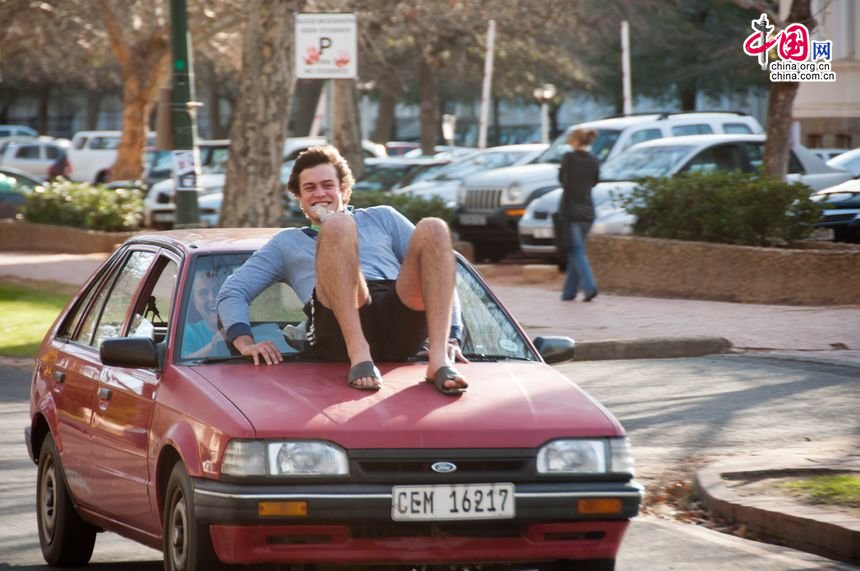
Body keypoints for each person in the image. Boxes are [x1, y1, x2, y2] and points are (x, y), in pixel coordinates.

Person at [217, 145, 469, 395]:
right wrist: (244, 342)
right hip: (336, 324)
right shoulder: (286, 243)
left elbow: (438, 276)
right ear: (299, 197)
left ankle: (438, 361)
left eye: (328, 185)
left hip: (395, 311)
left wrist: (453, 337)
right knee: (337, 224)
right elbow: (234, 290)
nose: (320, 194)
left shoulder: (383, 217)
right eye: (310, 188)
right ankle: (359, 355)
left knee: (434, 228)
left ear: (344, 189)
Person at [558, 128, 600, 302]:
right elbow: (595, 181)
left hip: (571, 211)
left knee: (577, 250)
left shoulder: (569, 158)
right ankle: (569, 292)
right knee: (575, 251)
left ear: (576, 141)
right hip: (588, 211)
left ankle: (590, 287)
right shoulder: (594, 160)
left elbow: (562, 179)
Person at [183, 267, 229, 359]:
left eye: (217, 290)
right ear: (194, 302)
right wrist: (214, 345)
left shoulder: (252, 329)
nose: (212, 298)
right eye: (203, 293)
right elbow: (179, 366)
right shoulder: (185, 333)